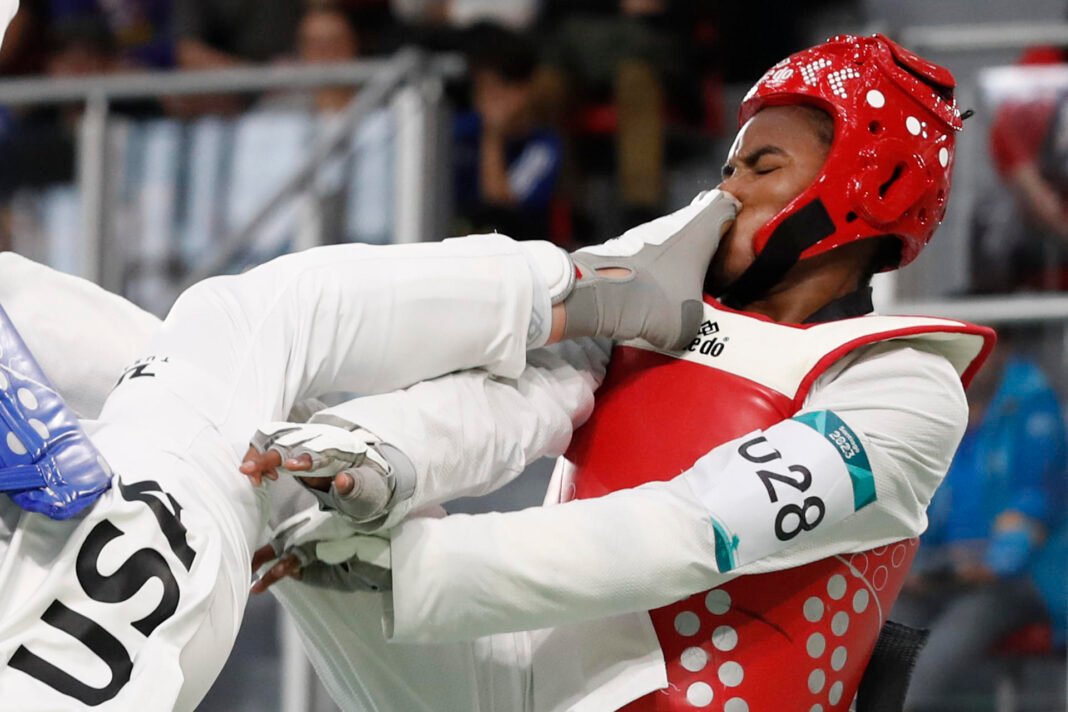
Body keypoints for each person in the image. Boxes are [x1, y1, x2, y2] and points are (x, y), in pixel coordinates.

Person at [245, 34, 997, 711]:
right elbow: (507, 405)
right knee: (275, 450)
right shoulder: (663, 319)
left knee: (365, 544)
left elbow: (695, 529)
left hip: (668, 694)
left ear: (873, 194)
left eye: (763, 167)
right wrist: (378, 454)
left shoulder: (905, 384)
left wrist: (421, 567)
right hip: (523, 671)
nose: (726, 191)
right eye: (728, 166)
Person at [0, 156, 736, 712]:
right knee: (253, 321)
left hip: (108, 642)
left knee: (224, 398)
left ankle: (394, 447)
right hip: (118, 570)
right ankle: (592, 303)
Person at [893, 334, 1066, 710]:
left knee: (931, 658)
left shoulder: (1034, 411)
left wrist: (992, 563)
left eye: (980, 344)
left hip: (1021, 578)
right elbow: (919, 504)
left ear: (1003, 349)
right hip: (949, 573)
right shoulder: (941, 410)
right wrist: (912, 568)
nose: (969, 355)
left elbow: (1037, 500)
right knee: (885, 631)